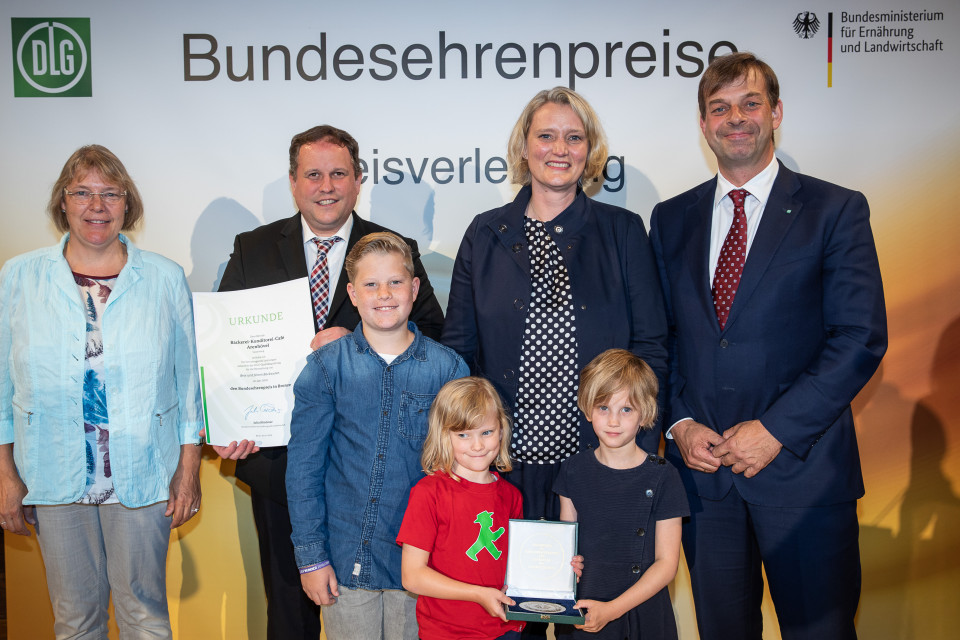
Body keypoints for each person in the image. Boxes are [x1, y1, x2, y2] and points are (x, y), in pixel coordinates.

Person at [649, 52, 887, 639]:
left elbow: (860, 337)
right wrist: (677, 422)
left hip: (803, 476)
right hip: (705, 482)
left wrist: (775, 429)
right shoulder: (670, 218)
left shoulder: (835, 210)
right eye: (719, 108)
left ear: (776, 112)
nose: (736, 118)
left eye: (750, 104)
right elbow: (663, 337)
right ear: (703, 125)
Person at [213, 125, 445, 639]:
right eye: (313, 174)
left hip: (369, 470)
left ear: (358, 181)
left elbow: (432, 334)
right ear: (293, 182)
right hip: (277, 457)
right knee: (289, 610)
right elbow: (224, 343)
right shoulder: (252, 248)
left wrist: (358, 334)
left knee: (375, 613)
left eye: (339, 173)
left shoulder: (392, 248)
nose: (326, 185)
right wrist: (228, 420)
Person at [0, 145, 203, 639]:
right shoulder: (19, 277)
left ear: (127, 204)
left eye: (110, 194)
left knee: (145, 614)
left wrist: (188, 470)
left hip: (141, 472)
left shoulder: (163, 277)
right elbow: (3, 386)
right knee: (75, 619)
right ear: (62, 203)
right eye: (83, 193)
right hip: (52, 471)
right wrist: (6, 476)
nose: (97, 206)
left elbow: (186, 384)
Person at [442, 87, 668, 528]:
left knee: (597, 589)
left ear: (591, 150)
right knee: (506, 591)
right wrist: (464, 448)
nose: (559, 149)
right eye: (546, 136)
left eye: (574, 138)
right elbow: (458, 353)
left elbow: (651, 347)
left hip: (598, 456)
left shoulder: (623, 231)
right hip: (501, 463)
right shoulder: (484, 233)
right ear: (525, 148)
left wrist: (634, 442)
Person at [286, 232, 468, 640]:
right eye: (370, 284)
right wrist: (311, 560)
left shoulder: (449, 371)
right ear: (352, 293)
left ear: (416, 287)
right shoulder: (325, 369)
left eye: (396, 282)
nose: (384, 294)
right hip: (346, 562)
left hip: (423, 568)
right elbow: (303, 472)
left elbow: (464, 475)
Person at [554, 349, 687, 639]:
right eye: (604, 408)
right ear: (587, 408)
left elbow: (667, 564)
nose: (613, 421)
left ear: (645, 414)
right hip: (586, 610)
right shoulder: (571, 471)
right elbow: (566, 543)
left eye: (626, 409)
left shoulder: (665, 475)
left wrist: (613, 609)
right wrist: (565, 563)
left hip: (644, 610)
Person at [397, 376, 525, 640]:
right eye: (463, 435)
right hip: (447, 632)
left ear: (501, 430)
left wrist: (558, 567)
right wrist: (478, 594)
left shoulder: (512, 496)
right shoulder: (428, 493)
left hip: (505, 628)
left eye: (486, 432)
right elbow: (412, 577)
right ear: (444, 435)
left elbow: (520, 566)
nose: (477, 445)